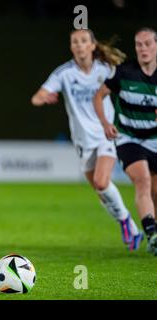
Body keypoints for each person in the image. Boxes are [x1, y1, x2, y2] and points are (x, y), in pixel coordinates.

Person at [32, 29, 143, 250]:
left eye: (84, 41)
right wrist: (46, 97)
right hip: (82, 139)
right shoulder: (64, 73)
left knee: (102, 182)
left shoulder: (107, 69)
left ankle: (125, 221)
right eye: (75, 42)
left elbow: (126, 88)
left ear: (93, 46)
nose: (79, 45)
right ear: (71, 47)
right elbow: (36, 98)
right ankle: (128, 223)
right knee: (101, 192)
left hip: (106, 132)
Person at [94, 27, 157, 255]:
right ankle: (151, 234)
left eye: (148, 43)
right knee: (143, 182)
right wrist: (105, 123)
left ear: (156, 45)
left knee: (156, 191)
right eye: (139, 44)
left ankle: (154, 232)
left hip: (155, 140)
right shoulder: (124, 72)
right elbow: (99, 95)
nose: (143, 49)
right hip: (128, 138)